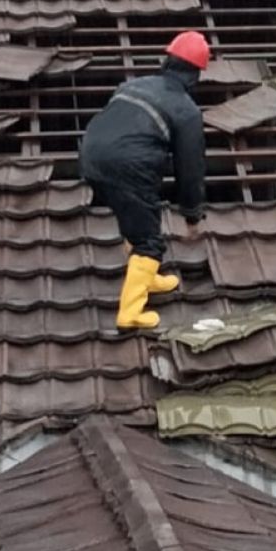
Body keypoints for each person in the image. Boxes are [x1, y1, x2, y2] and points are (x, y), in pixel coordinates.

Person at [79, 31, 209, 329]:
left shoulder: (134, 84)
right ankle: (130, 313)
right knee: (149, 240)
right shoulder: (186, 111)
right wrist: (191, 216)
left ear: (168, 60)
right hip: (129, 165)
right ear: (197, 74)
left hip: (90, 153)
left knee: (132, 214)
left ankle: (147, 277)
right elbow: (190, 169)